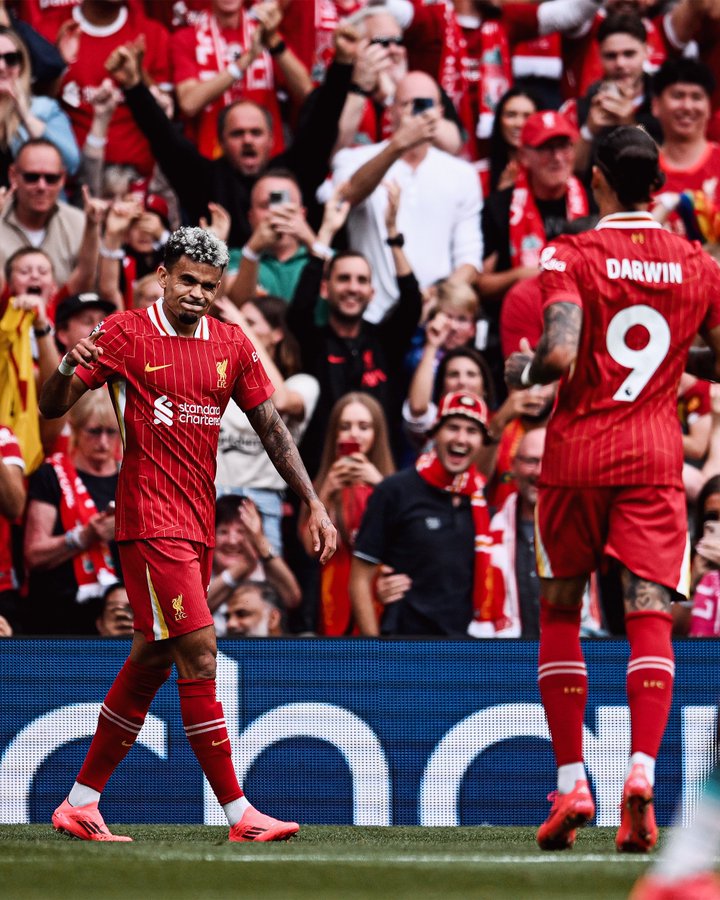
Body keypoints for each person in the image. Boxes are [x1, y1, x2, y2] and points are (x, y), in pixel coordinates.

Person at [38, 226, 336, 842]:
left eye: (209, 284)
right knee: (201, 655)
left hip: (198, 525)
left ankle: (80, 802)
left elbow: (273, 427)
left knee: (150, 658)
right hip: (149, 522)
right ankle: (240, 814)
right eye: (187, 281)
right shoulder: (125, 332)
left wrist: (312, 501)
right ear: (163, 277)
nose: (197, 293)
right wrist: (68, 364)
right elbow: (51, 406)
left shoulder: (231, 343)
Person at [504, 125, 720, 854]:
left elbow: (560, 349)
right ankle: (640, 772)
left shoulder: (570, 251)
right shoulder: (699, 263)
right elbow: (714, 358)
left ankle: (572, 781)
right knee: (649, 613)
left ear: (595, 180)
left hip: (575, 456)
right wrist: (673, 353)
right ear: (657, 182)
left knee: (561, 611)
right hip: (656, 458)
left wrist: (522, 373)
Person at [332, 70, 482, 324]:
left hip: (434, 316)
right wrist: (398, 145)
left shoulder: (463, 174)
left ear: (441, 113)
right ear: (391, 112)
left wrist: (436, 298)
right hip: (369, 315)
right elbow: (348, 196)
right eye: (407, 104)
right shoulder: (353, 159)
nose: (417, 112)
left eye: (426, 104)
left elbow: (470, 259)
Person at [350, 390, 494, 637]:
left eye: (472, 431)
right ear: (435, 432)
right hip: (405, 647)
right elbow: (359, 580)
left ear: (482, 442)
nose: (461, 438)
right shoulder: (394, 490)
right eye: (453, 427)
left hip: (468, 652)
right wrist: (376, 653)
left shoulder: (481, 501)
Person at [24, 389, 121, 635]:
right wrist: (84, 537)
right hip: (58, 613)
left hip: (119, 617)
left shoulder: (130, 477)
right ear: (75, 429)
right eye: (94, 431)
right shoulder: (51, 474)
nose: (103, 442)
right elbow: (34, 554)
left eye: (111, 432)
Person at [303, 392, 395, 636]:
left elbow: (408, 541)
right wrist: (325, 493)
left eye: (364, 427)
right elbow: (308, 547)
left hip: (380, 596)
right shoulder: (320, 485)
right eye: (345, 426)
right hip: (333, 597)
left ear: (377, 434)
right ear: (334, 434)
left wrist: (381, 484)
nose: (354, 433)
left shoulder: (393, 483)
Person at [0, 25, 79, 184]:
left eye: (11, 59)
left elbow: (71, 165)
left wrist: (27, 118)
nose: (1, 67)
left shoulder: (43, 109)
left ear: (22, 65)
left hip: (32, 206)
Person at [0, 138, 85, 286]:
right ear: (13, 175)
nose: (41, 186)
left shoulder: (79, 223)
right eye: (31, 177)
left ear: (62, 178)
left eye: (51, 178)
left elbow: (87, 286)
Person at [485, 87, 538, 196]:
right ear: (499, 121)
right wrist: (500, 197)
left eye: (527, 116)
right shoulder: (479, 174)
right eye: (511, 115)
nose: (519, 123)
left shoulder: (552, 171)